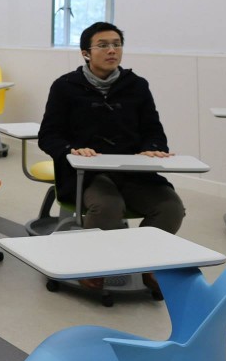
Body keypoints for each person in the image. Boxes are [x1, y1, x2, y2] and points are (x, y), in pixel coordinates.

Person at [37, 22, 185, 290]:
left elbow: (153, 130)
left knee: (171, 207)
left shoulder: (137, 85)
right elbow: (48, 135)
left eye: (117, 44)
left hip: (133, 170)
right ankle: (93, 264)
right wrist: (70, 150)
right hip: (86, 172)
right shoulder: (65, 86)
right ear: (86, 53)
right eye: (103, 45)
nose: (112, 50)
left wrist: (153, 147)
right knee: (108, 206)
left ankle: (148, 262)